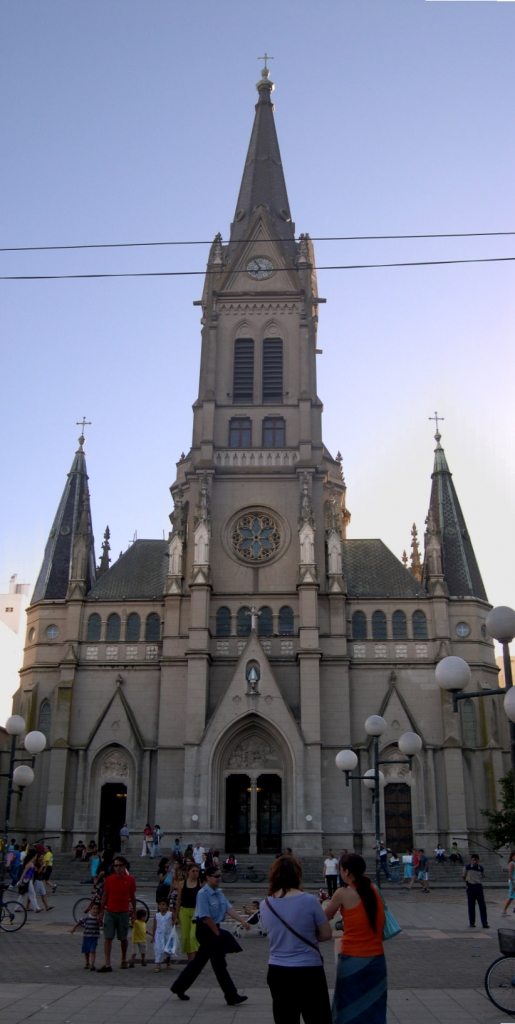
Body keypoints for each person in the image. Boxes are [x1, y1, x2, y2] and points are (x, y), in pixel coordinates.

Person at [260, 854, 333, 1024]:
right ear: (298, 874)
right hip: (309, 970)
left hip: (278, 970)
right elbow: (326, 934)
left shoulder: (265, 904)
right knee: (317, 1018)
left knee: (285, 1019)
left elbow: (270, 931)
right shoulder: (309, 900)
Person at [170, 865, 251, 1004]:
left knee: (203, 963)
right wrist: (217, 934)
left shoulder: (218, 892)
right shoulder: (202, 893)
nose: (219, 879)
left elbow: (228, 908)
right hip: (205, 930)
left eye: (220, 876)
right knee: (215, 964)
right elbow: (206, 916)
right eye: (217, 876)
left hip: (214, 929)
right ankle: (231, 995)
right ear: (208, 878)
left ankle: (179, 987)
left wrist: (242, 920)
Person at [324, 852, 387, 1024]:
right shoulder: (374, 890)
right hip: (377, 960)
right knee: (375, 1009)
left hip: (353, 959)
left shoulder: (342, 893)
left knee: (347, 1009)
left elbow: (324, 918)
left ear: (346, 871)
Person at [97, 855, 137, 972]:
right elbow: (105, 895)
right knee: (108, 937)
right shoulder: (109, 879)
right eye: (115, 866)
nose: (117, 868)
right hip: (110, 911)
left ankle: (124, 958)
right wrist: (101, 911)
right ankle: (107, 963)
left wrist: (134, 911)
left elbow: (133, 897)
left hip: (123, 912)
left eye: (120, 865)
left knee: (123, 938)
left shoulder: (130, 880)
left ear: (125, 866)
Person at [174, 862, 201, 960]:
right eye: (193, 871)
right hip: (184, 911)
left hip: (196, 912)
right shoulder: (182, 884)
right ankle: (190, 960)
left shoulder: (200, 883)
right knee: (185, 937)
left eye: (197, 871)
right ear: (188, 872)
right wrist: (176, 916)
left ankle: (195, 959)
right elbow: (179, 900)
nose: (195, 873)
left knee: (193, 936)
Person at [71, 903, 101, 970]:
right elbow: (80, 922)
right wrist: (74, 928)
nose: (95, 910)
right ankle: (87, 963)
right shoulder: (86, 917)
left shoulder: (98, 918)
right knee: (86, 951)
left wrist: (99, 920)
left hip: (94, 937)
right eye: (94, 908)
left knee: (93, 950)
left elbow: (101, 925)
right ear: (90, 909)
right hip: (86, 936)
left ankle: (92, 964)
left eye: (97, 909)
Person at [463, 855, 489, 928]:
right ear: (471, 860)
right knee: (471, 905)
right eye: (473, 860)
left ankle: (484, 923)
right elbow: (463, 876)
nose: (475, 862)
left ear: (478, 860)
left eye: (476, 860)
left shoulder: (480, 868)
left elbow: (482, 876)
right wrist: (467, 882)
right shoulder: (467, 867)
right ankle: (472, 922)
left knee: (482, 905)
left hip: (478, 887)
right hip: (470, 886)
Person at [153, 899, 174, 971]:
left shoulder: (170, 914)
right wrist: (153, 936)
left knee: (168, 949)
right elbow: (154, 926)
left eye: (163, 904)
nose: (161, 906)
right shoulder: (157, 915)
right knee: (158, 949)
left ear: (167, 906)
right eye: (160, 905)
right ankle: (158, 964)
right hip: (159, 935)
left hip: (168, 934)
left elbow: (174, 922)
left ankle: (168, 962)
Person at [502, 851, 515, 916]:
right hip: (513, 882)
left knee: (511, 896)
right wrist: (512, 884)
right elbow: (510, 873)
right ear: (512, 856)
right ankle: (504, 910)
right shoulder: (512, 863)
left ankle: (504, 910)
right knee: (511, 896)